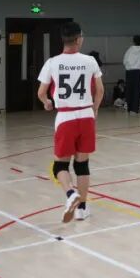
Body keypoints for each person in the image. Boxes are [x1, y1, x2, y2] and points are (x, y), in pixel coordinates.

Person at [36, 22, 104, 223]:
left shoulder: (52, 62)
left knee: (60, 166)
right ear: (78, 39)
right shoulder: (90, 61)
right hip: (86, 115)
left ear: (63, 39)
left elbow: (41, 92)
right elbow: (100, 90)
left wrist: (47, 103)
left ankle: (70, 193)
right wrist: (95, 109)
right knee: (82, 166)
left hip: (65, 117)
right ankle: (82, 208)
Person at [122, 35, 140, 115]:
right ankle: (134, 109)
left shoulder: (129, 50)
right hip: (137, 71)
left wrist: (129, 65)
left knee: (129, 89)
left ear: (133, 41)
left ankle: (129, 108)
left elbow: (125, 61)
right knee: (136, 90)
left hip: (129, 71)